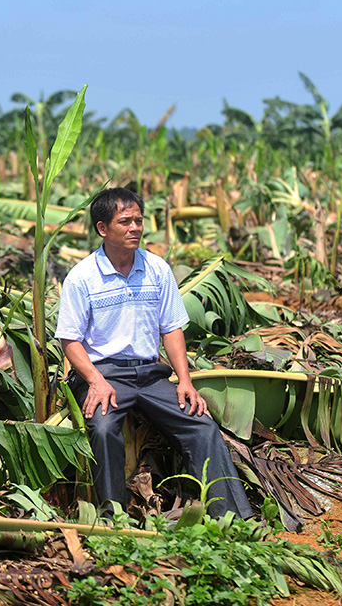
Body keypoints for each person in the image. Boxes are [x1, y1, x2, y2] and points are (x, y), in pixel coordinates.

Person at [55, 188, 254, 519]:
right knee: (103, 431)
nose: (135, 228)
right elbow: (71, 341)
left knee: (201, 426)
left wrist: (185, 380)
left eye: (138, 220)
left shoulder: (157, 270)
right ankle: (113, 519)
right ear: (103, 228)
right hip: (105, 373)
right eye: (125, 222)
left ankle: (231, 517)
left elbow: (172, 329)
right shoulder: (82, 277)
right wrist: (95, 381)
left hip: (150, 375)